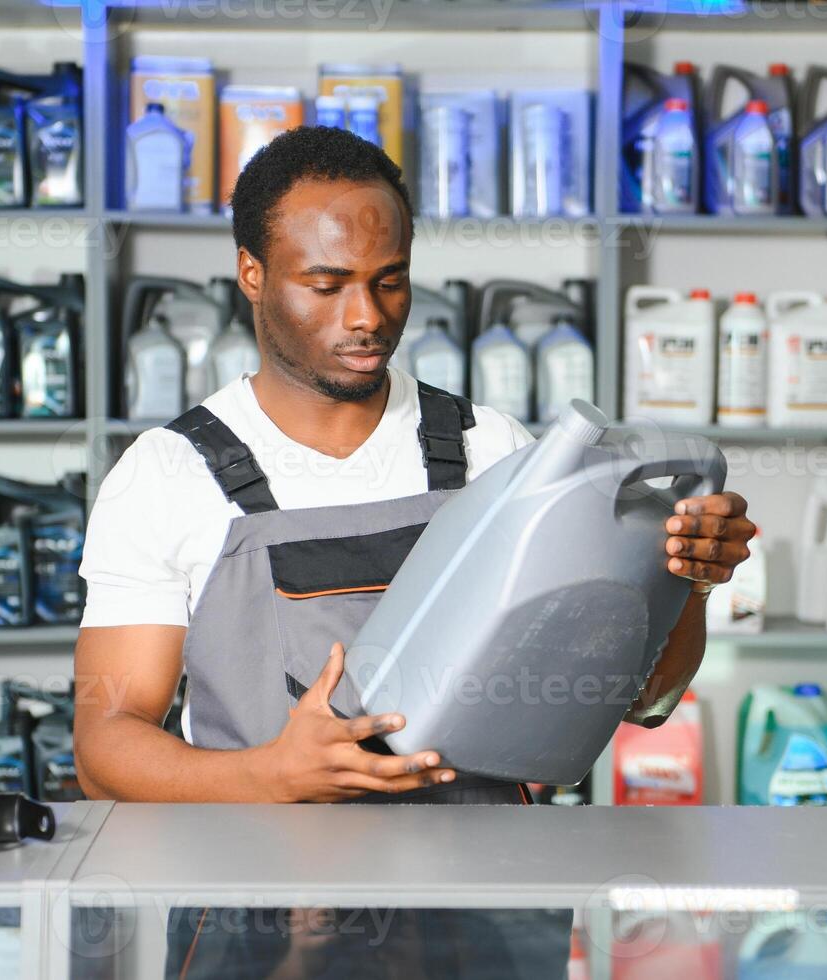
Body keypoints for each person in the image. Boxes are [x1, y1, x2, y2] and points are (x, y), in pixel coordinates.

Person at [73, 125, 755, 975]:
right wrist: (271, 775)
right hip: (270, 923)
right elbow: (105, 745)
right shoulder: (170, 474)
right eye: (325, 285)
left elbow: (643, 697)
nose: (365, 317)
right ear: (252, 273)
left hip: (483, 916)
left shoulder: (491, 449)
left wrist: (686, 583)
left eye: (388, 281)